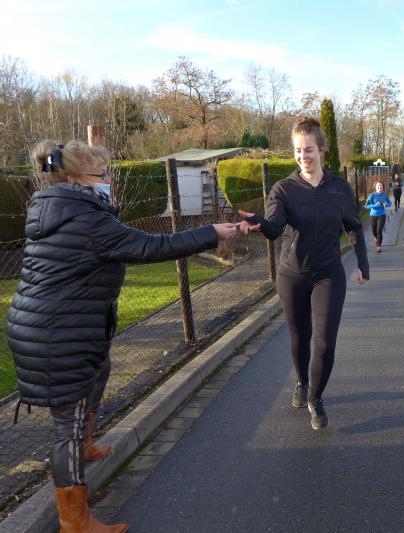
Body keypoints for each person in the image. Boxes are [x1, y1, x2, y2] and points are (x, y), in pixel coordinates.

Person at [4, 140, 238, 533]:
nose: (109, 181)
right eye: (102, 175)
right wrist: (210, 232)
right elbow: (151, 246)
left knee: (100, 368)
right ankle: (75, 522)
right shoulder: (86, 218)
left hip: (56, 324)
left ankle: (86, 444)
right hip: (57, 332)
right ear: (75, 179)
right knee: (67, 427)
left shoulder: (55, 208)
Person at [237, 117, 369, 430]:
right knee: (300, 337)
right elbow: (274, 228)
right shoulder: (283, 189)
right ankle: (301, 382)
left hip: (328, 274)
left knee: (325, 342)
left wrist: (363, 263)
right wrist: (259, 223)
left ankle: (316, 397)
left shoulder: (339, 188)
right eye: (297, 150)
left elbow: (353, 226)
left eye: (308, 149)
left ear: (321, 149)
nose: (302, 156)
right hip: (292, 274)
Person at [365, 181, 392, 253]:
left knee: (379, 231)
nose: (380, 187)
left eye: (381, 186)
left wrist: (386, 205)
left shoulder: (385, 195)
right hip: (373, 215)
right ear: (375, 187)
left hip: (382, 215)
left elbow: (390, 203)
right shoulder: (372, 195)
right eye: (378, 186)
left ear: (383, 187)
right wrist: (375, 205)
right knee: (374, 231)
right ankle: (376, 237)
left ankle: (378, 246)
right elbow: (366, 206)